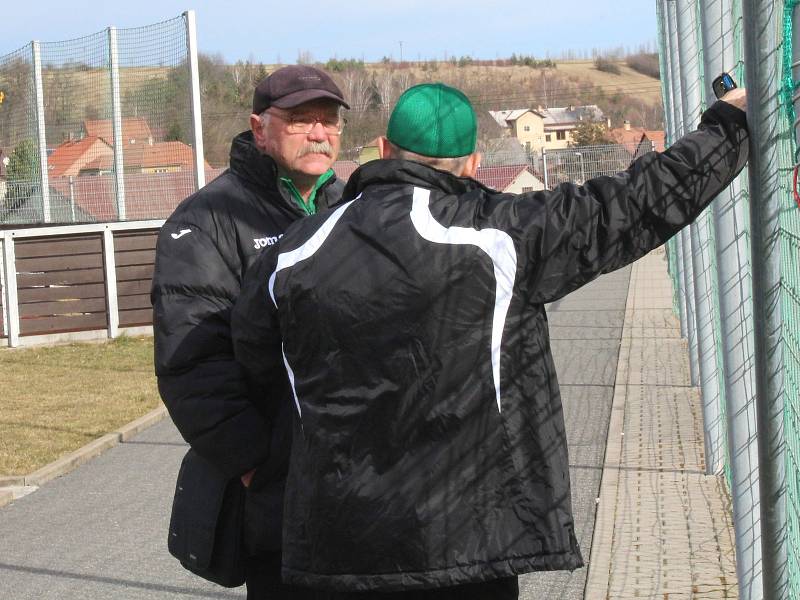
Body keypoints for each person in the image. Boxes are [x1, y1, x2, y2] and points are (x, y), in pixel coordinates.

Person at [231, 82, 749, 599]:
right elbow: (633, 203)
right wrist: (726, 127)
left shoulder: (291, 254)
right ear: (474, 162)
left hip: (336, 541)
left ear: (384, 151)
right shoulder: (502, 234)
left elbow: (255, 364)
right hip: (471, 543)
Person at [151, 65, 349, 599]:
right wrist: (256, 466)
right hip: (278, 491)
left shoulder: (356, 208)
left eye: (329, 122)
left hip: (358, 483)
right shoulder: (208, 219)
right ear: (259, 128)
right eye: (300, 120)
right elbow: (192, 362)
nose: (318, 133)